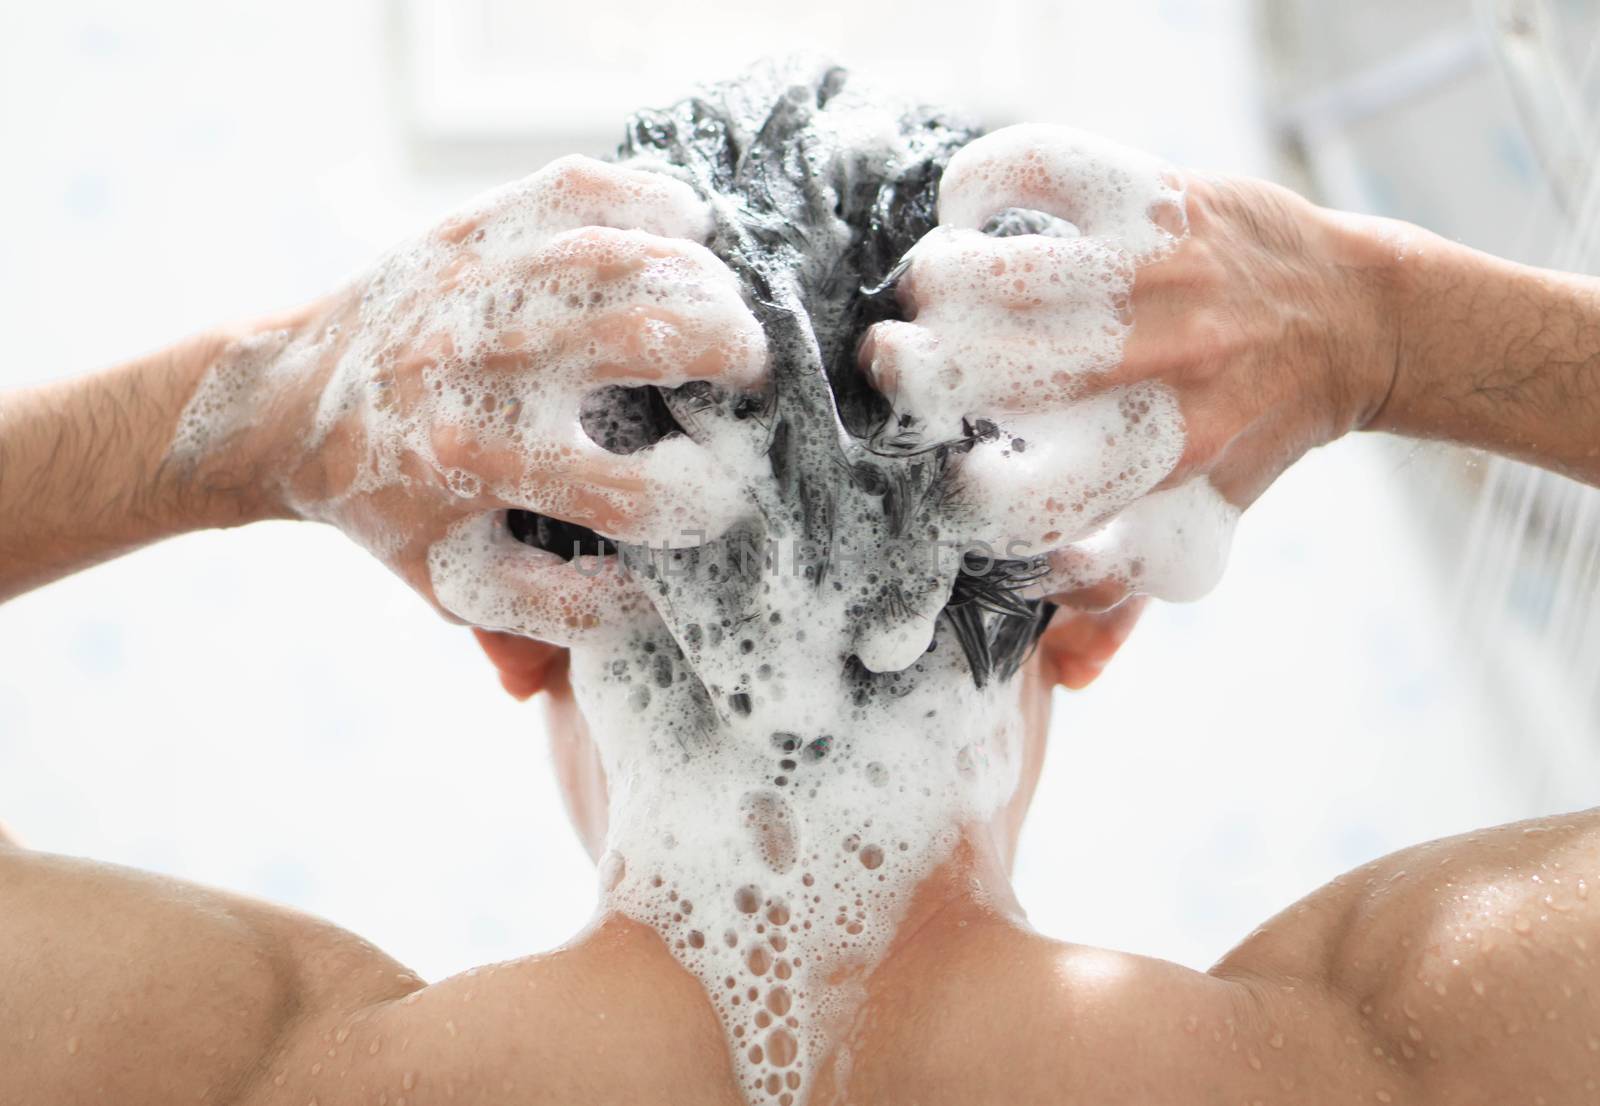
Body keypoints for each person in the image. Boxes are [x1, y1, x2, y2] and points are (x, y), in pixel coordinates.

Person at [4, 79, 1600, 1104]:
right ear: (1099, 603)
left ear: (515, 628)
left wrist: (265, 412)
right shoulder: (1396, 1049)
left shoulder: (237, 1064)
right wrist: (1379, 319)